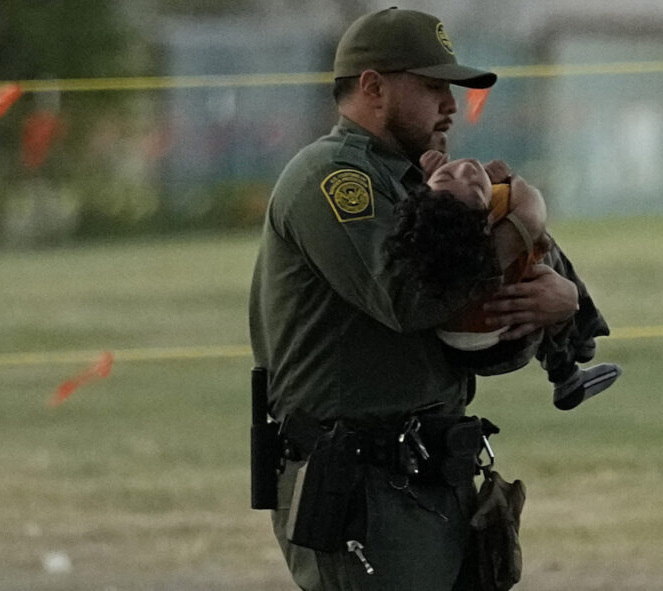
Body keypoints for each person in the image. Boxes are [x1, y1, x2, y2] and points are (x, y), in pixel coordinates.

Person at [248, 8, 582, 590]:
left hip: (434, 479)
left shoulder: (415, 185)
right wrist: (523, 221)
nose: (450, 105)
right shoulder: (331, 178)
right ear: (373, 86)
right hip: (361, 489)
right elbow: (410, 300)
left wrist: (548, 299)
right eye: (432, 88)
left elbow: (466, 331)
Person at [388, 150, 622, 410]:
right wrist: (511, 181)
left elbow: (441, 206)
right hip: (507, 342)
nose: (465, 170)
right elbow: (532, 207)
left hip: (450, 349)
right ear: (486, 222)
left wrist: (438, 178)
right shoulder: (504, 216)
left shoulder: (430, 235)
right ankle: (575, 350)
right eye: (476, 188)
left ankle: (570, 365)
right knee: (544, 264)